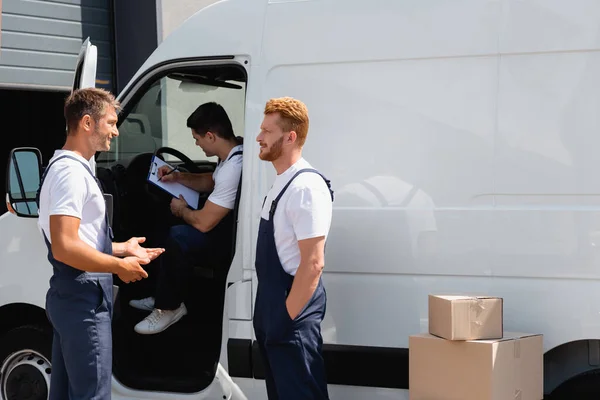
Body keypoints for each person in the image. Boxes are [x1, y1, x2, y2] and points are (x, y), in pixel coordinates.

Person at [37, 87, 164, 400]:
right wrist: (119, 266)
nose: (116, 131)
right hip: (82, 300)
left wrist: (121, 247)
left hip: (74, 296)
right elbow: (65, 246)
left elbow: (77, 240)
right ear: (86, 123)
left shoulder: (68, 168)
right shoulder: (70, 173)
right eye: (110, 122)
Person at [130, 102, 243, 334]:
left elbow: (203, 223)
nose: (197, 144)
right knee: (164, 224)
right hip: (222, 226)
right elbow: (212, 180)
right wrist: (178, 177)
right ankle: (162, 293)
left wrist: (182, 210)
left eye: (197, 139)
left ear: (210, 136)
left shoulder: (234, 168)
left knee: (179, 235)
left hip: (227, 241)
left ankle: (169, 308)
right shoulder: (231, 154)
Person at [253, 97, 334, 400]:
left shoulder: (305, 188)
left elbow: (313, 264)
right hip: (274, 310)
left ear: (290, 137)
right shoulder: (282, 182)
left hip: (292, 316)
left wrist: (286, 319)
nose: (259, 138)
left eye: (267, 131)